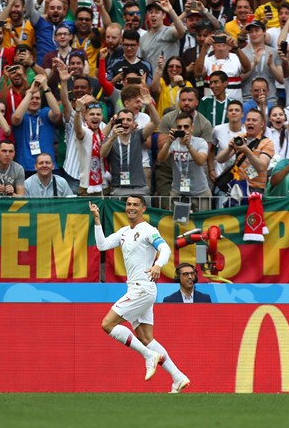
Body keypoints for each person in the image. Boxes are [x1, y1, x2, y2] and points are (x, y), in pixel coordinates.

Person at [90, 196, 190, 394]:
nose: (131, 208)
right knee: (146, 338)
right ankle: (178, 377)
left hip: (143, 288)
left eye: (136, 205)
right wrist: (97, 220)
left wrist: (158, 265)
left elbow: (165, 248)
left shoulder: (148, 230)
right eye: (128, 204)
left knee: (107, 324)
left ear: (143, 208)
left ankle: (147, 356)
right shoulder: (124, 232)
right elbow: (101, 245)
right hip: (136, 289)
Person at [156, 111, 210, 211]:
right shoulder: (173, 143)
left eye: (186, 126)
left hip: (200, 191)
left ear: (192, 128)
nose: (183, 129)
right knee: (179, 223)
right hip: (178, 191)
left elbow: (201, 161)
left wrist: (189, 145)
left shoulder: (200, 142)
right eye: (179, 127)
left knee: (202, 223)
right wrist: (168, 142)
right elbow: (161, 158)